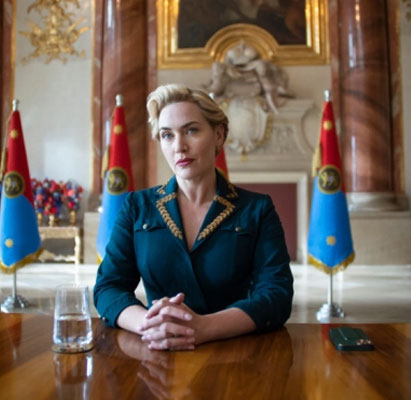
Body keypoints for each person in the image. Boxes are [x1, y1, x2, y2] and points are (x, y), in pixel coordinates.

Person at [93, 84, 293, 351]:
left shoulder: (256, 209)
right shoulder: (137, 207)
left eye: (191, 131)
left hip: (233, 352)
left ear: (218, 135)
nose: (179, 146)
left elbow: (277, 295)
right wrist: (150, 324)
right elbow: (108, 287)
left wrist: (205, 328)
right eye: (167, 135)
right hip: (156, 349)